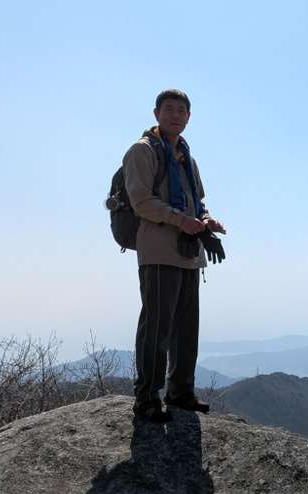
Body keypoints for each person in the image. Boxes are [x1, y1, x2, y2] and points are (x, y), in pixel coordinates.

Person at [123, 88, 226, 422]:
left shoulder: (186, 156)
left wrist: (206, 220)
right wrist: (183, 220)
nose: (175, 115)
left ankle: (180, 392)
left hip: (188, 252)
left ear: (189, 117)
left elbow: (198, 203)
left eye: (182, 110)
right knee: (156, 328)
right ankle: (147, 398)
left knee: (186, 326)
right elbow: (142, 202)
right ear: (156, 113)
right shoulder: (142, 151)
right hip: (158, 250)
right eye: (169, 109)